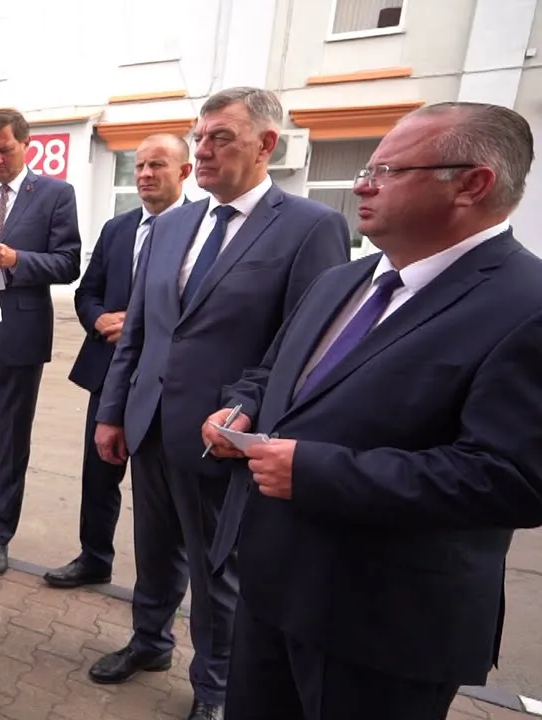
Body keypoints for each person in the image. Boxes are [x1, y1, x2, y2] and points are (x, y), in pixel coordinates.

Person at [202, 102, 542, 719]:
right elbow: (273, 374)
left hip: (384, 626)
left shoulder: (527, 305)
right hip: (273, 589)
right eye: (367, 169)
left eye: (388, 171)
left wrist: (315, 471)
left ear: (472, 184)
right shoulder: (344, 280)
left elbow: (514, 479)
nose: (362, 185)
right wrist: (241, 408)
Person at [91, 87, 350, 720]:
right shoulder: (171, 224)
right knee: (154, 549)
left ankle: (215, 686)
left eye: (220, 138)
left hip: (226, 439)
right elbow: (141, 330)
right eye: (199, 137)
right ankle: (150, 642)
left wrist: (249, 414)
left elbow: (307, 347)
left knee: (219, 572)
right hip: (150, 424)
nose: (203, 150)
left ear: (266, 145)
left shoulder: (310, 228)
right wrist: (112, 411)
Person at [46, 132, 192, 590]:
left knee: (161, 491)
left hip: (167, 382)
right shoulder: (118, 229)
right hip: (110, 374)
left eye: (157, 165)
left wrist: (138, 323)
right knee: (99, 474)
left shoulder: (202, 230)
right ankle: (94, 558)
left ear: (185, 172)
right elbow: (86, 292)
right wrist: (99, 318)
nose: (145, 174)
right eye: (140, 165)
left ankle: (159, 590)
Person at [0, 107, 82, 578]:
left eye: (4, 150)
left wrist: (17, 259)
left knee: (11, 443)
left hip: (21, 336)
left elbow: (69, 263)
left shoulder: (55, 194)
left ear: (26, 145)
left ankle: (0, 536)